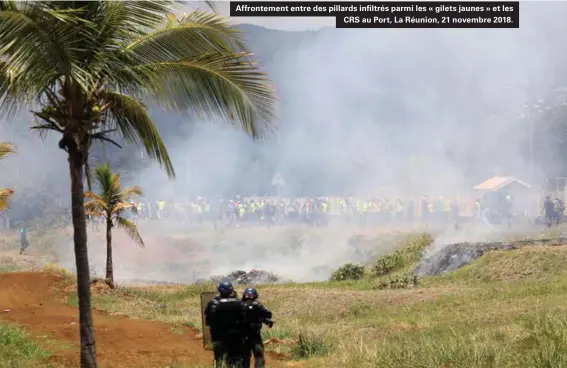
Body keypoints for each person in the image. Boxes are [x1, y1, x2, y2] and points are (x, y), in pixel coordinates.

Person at [204, 281, 247, 367]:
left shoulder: (213, 303)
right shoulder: (240, 303)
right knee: (238, 358)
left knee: (219, 359)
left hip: (219, 337)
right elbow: (245, 319)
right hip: (237, 337)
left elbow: (208, 320)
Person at [241, 287, 273, 368]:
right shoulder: (257, 305)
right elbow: (268, 314)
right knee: (259, 356)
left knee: (244, 358)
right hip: (255, 336)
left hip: (242, 336)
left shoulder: (239, 305)